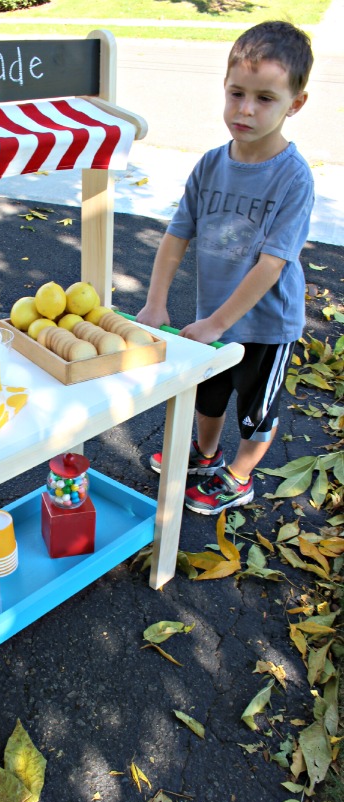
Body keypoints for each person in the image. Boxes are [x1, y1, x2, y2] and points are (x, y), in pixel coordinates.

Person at [136, 20, 314, 516]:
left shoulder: (292, 177)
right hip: (210, 316)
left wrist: (218, 322)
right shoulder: (211, 164)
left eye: (265, 98)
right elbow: (176, 235)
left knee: (255, 411)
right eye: (237, 93)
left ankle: (238, 476)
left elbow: (272, 264)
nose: (246, 109)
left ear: (294, 104)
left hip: (265, 325)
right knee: (208, 395)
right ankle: (204, 455)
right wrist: (156, 302)